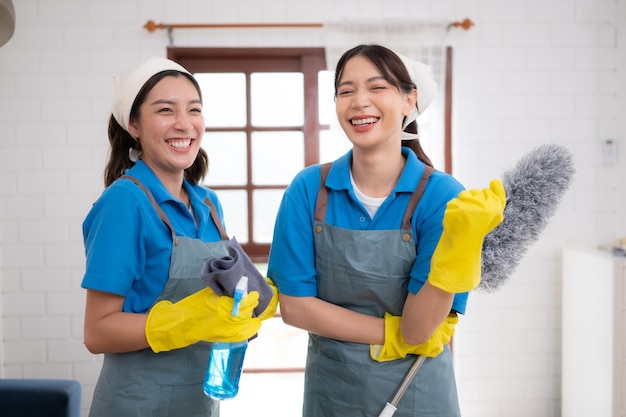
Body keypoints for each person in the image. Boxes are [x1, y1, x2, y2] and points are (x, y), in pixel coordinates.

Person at [266, 44, 506, 417]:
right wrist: (392, 333)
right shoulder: (309, 188)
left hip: (419, 391)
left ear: (409, 101)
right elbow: (295, 307)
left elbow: (420, 328)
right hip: (333, 394)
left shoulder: (442, 197)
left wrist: (459, 252)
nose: (359, 101)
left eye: (377, 87)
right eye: (346, 90)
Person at [81, 57, 277, 417]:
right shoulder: (125, 202)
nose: (184, 123)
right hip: (137, 406)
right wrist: (184, 321)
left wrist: (244, 310)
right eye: (165, 110)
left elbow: (227, 295)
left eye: (194, 110)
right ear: (134, 125)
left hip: (200, 403)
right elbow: (97, 332)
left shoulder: (208, 203)